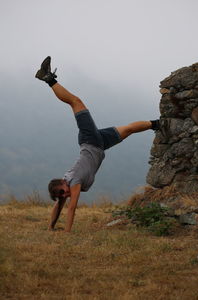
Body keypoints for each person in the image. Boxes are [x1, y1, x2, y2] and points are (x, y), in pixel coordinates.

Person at [35, 56, 159, 233]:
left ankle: (48, 78)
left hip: (90, 140)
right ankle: (157, 124)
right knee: (129, 129)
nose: (65, 195)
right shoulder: (66, 185)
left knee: (75, 101)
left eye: (62, 192)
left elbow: (71, 208)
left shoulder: (74, 181)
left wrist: (67, 232)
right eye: (61, 195)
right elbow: (60, 205)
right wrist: (51, 227)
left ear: (63, 183)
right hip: (99, 144)